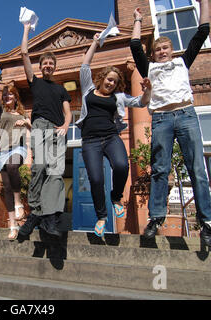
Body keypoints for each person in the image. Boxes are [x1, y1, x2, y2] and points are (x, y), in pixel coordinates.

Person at [130, 1, 211, 246]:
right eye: (158, 50)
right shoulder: (150, 68)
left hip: (186, 114)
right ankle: (155, 218)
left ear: (172, 50)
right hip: (162, 118)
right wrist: (137, 20)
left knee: (197, 168)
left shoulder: (182, 63)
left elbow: (202, 32)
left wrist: (205, 2)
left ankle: (206, 222)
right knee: (160, 170)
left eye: (166, 48)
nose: (162, 52)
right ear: (153, 55)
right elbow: (135, 45)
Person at [77, 33, 152, 237]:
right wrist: (94, 42)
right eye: (109, 79)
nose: (111, 83)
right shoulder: (88, 91)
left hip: (111, 137)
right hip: (90, 141)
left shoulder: (118, 97)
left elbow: (140, 103)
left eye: (115, 81)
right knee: (95, 179)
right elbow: (85, 66)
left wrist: (147, 91)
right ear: (102, 78)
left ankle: (116, 197)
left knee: (121, 165)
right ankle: (102, 217)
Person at [18, 22, 72, 238]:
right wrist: (26, 29)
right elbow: (24, 53)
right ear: (41, 67)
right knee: (39, 168)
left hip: (57, 130)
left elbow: (68, 113)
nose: (48, 65)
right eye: (45, 63)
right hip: (40, 126)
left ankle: (48, 218)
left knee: (55, 173)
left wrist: (67, 125)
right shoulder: (35, 82)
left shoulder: (60, 89)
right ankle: (35, 213)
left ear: (55, 66)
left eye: (51, 63)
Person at [0, 54, 31, 240]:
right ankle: (13, 226)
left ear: (15, 96)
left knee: (13, 167)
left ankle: (19, 204)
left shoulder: (23, 113)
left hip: (18, 148)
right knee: (8, 188)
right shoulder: (0, 111)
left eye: (10, 93)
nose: (6, 96)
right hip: (2, 150)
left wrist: (26, 124)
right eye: (5, 95)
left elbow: (32, 128)